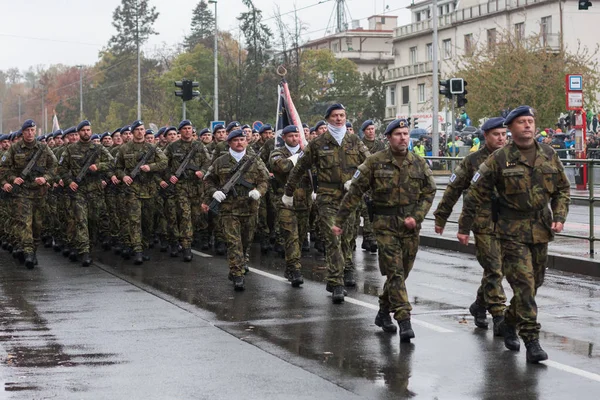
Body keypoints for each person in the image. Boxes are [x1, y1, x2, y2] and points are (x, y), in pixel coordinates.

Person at [458, 106, 570, 363]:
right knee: (524, 286)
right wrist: (464, 227)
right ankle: (531, 339)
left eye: (531, 121)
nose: (528, 126)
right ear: (511, 128)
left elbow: (563, 189)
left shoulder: (549, 154)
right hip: (510, 232)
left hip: (541, 229)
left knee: (535, 283)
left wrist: (560, 216)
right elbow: (474, 194)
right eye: (522, 122)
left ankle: (509, 322)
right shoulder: (498, 159)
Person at [333, 118, 436, 341]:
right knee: (395, 272)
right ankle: (404, 319)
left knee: (403, 271)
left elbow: (430, 192)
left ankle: (383, 310)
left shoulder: (418, 163)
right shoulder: (374, 162)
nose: (403, 138)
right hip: (385, 226)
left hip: (410, 227)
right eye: (398, 134)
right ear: (388, 138)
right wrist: (339, 220)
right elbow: (355, 192)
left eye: (406, 134)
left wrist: (417, 217)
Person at [283, 103, 370, 303]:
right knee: (333, 239)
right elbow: (299, 168)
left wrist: (356, 180)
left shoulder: (354, 141)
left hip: (349, 199)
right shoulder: (318, 143)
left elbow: (369, 164)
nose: (339, 119)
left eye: (342, 115)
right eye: (335, 116)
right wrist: (288, 192)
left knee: (348, 239)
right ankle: (336, 281)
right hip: (327, 198)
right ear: (328, 118)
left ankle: (342, 271)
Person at [434, 117, 508, 334]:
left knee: (499, 269)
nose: (501, 138)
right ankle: (499, 315)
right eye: (496, 134)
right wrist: (442, 217)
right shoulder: (473, 161)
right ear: (486, 136)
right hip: (483, 221)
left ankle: (479, 305)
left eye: (504, 134)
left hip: (509, 222)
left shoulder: (513, 157)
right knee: (494, 267)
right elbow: (453, 189)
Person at [203, 129, 269, 290]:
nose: (240, 143)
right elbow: (208, 180)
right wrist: (214, 192)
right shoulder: (221, 161)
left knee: (246, 241)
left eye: (242, 139)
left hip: (250, 208)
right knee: (234, 243)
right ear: (229, 143)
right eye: (236, 140)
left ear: (247, 142)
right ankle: (237, 274)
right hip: (228, 209)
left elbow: (264, 180)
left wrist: (258, 192)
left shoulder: (254, 161)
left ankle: (240, 263)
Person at [0, 119, 57, 268]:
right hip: (22, 193)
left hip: (39, 192)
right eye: (27, 131)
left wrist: (45, 178)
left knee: (37, 225)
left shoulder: (43, 148)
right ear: (23, 132)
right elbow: (4, 168)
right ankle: (28, 253)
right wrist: (13, 179)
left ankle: (33, 249)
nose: (30, 133)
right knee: (25, 223)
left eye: (32, 130)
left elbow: (54, 166)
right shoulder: (14, 148)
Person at [58, 120, 116, 266]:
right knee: (81, 220)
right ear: (78, 132)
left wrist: (99, 166)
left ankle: (90, 246)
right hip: (78, 192)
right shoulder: (70, 150)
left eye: (88, 130)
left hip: (95, 191)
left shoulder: (99, 148)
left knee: (93, 220)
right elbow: (61, 168)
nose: (86, 132)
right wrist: (68, 181)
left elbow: (112, 162)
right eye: (83, 130)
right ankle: (84, 252)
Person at [115, 120, 168, 264]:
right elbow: (118, 167)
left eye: (142, 129)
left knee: (147, 222)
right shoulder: (124, 148)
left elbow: (164, 162)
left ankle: (143, 246)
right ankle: (137, 250)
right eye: (137, 129)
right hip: (132, 190)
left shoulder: (152, 148)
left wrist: (150, 167)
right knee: (134, 220)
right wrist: (123, 176)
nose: (140, 131)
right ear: (132, 132)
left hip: (149, 190)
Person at [162, 120, 211, 261]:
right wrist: (169, 176)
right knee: (184, 215)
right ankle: (186, 246)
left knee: (196, 216)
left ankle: (186, 239)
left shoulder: (199, 145)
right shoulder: (172, 147)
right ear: (180, 131)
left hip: (196, 187)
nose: (188, 131)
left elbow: (208, 162)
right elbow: (163, 163)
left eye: (190, 128)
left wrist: (202, 171)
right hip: (180, 187)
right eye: (185, 129)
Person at [270, 125, 311, 287]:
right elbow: (281, 166)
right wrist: (298, 157)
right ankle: (295, 270)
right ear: (284, 137)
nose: (294, 138)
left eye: (296, 136)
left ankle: (290, 265)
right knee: (290, 235)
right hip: (286, 202)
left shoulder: (308, 152)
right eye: (291, 136)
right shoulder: (277, 153)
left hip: (304, 202)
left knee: (300, 236)